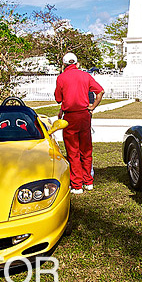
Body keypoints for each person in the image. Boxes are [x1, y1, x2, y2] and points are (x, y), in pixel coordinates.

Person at [54, 53, 104, 194]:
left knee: (73, 151)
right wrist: (92, 106)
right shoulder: (85, 76)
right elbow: (100, 91)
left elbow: (59, 98)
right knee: (86, 150)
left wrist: (63, 106)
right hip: (84, 115)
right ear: (77, 63)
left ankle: (77, 185)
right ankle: (88, 181)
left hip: (70, 117)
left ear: (64, 64)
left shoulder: (61, 77)